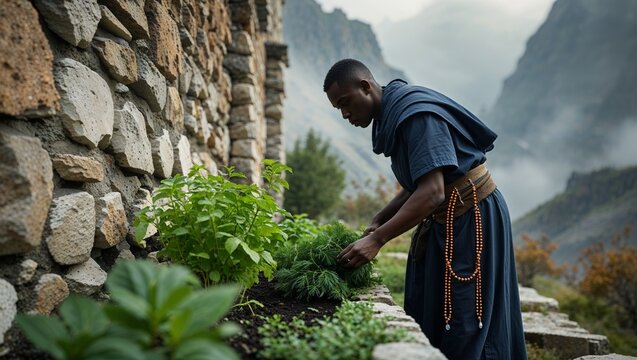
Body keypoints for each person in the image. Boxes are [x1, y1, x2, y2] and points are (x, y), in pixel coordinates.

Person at [324, 59, 527, 360]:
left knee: (466, 320)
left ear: (365, 87)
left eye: (345, 102)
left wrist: (378, 239)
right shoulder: (392, 113)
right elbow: (421, 178)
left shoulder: (415, 116)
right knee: (437, 312)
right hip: (454, 216)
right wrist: (381, 218)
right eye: (337, 108)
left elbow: (432, 192)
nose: (344, 114)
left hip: (472, 217)